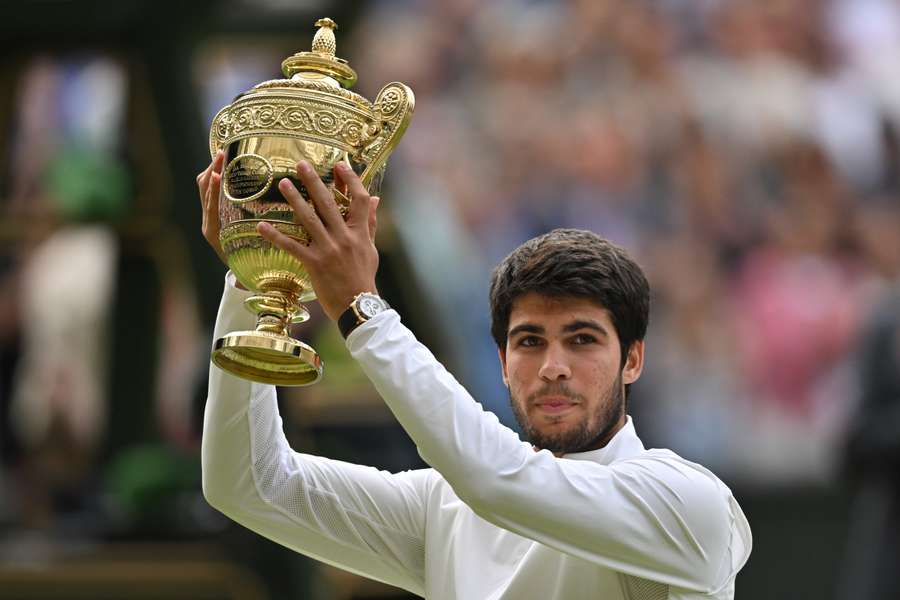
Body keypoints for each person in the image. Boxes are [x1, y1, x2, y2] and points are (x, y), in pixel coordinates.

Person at [198, 153, 752, 599]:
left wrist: (362, 311)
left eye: (582, 340)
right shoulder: (446, 509)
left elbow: (495, 480)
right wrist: (255, 275)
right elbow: (247, 482)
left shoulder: (690, 504)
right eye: (529, 341)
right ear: (503, 364)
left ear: (633, 359)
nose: (553, 367)